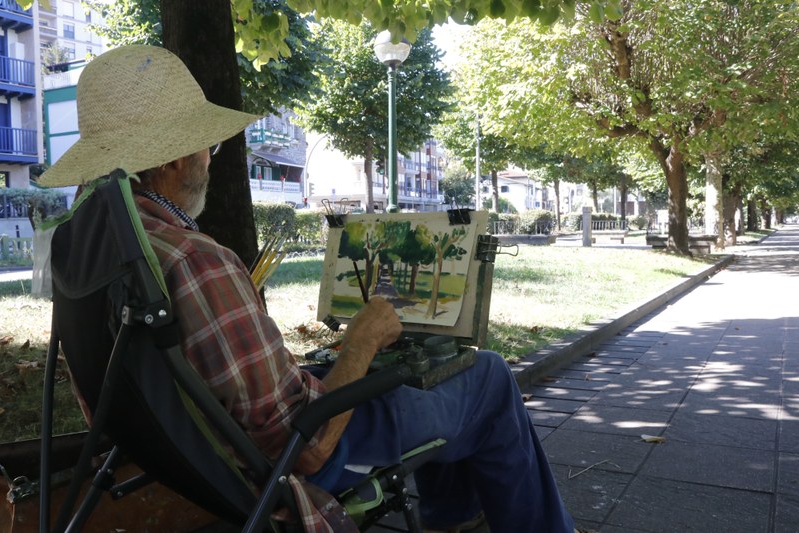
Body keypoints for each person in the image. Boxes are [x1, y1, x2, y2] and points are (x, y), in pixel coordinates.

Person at [40, 45, 577, 533]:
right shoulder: (196, 261)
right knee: (486, 376)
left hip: (189, 451)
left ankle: (452, 517)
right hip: (289, 459)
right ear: (175, 158)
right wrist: (361, 341)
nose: (212, 157)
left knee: (419, 381)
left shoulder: (92, 249)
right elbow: (307, 449)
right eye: (209, 146)